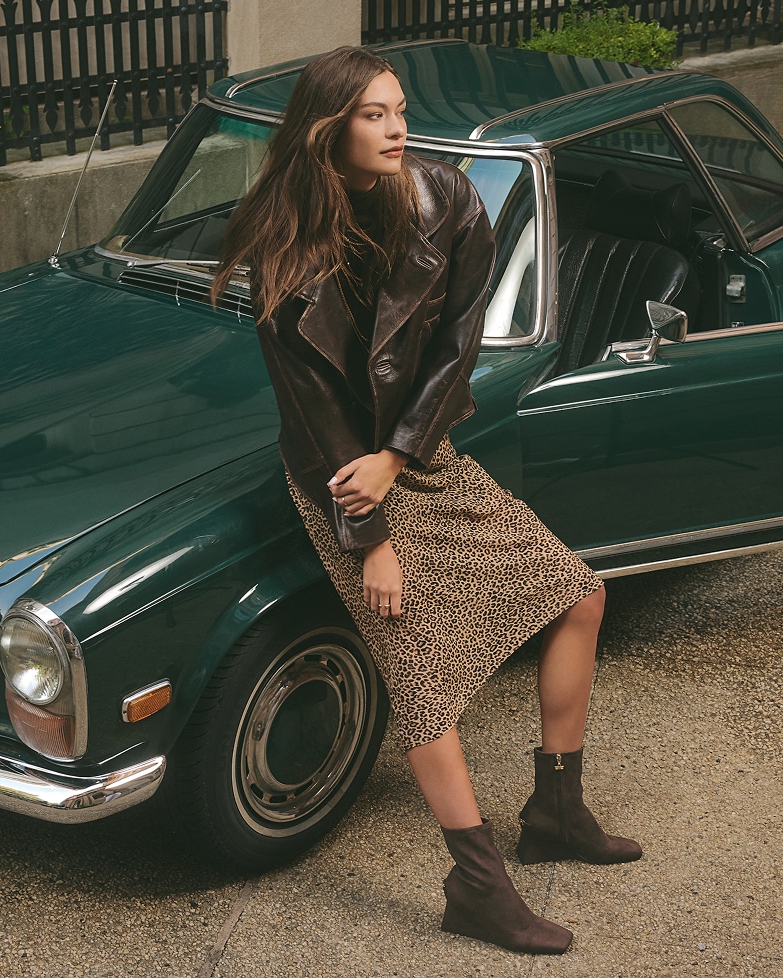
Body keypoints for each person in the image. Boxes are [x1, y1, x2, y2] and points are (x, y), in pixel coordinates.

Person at [212, 46, 641, 955]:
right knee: (423, 685)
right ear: (328, 130)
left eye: (398, 109)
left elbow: (458, 347)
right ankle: (478, 888)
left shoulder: (448, 199)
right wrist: (369, 538)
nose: (396, 127)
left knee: (580, 595)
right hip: (338, 478)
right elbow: (315, 411)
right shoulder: (281, 254)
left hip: (416, 453)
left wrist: (400, 458)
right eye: (373, 114)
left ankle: (556, 811)